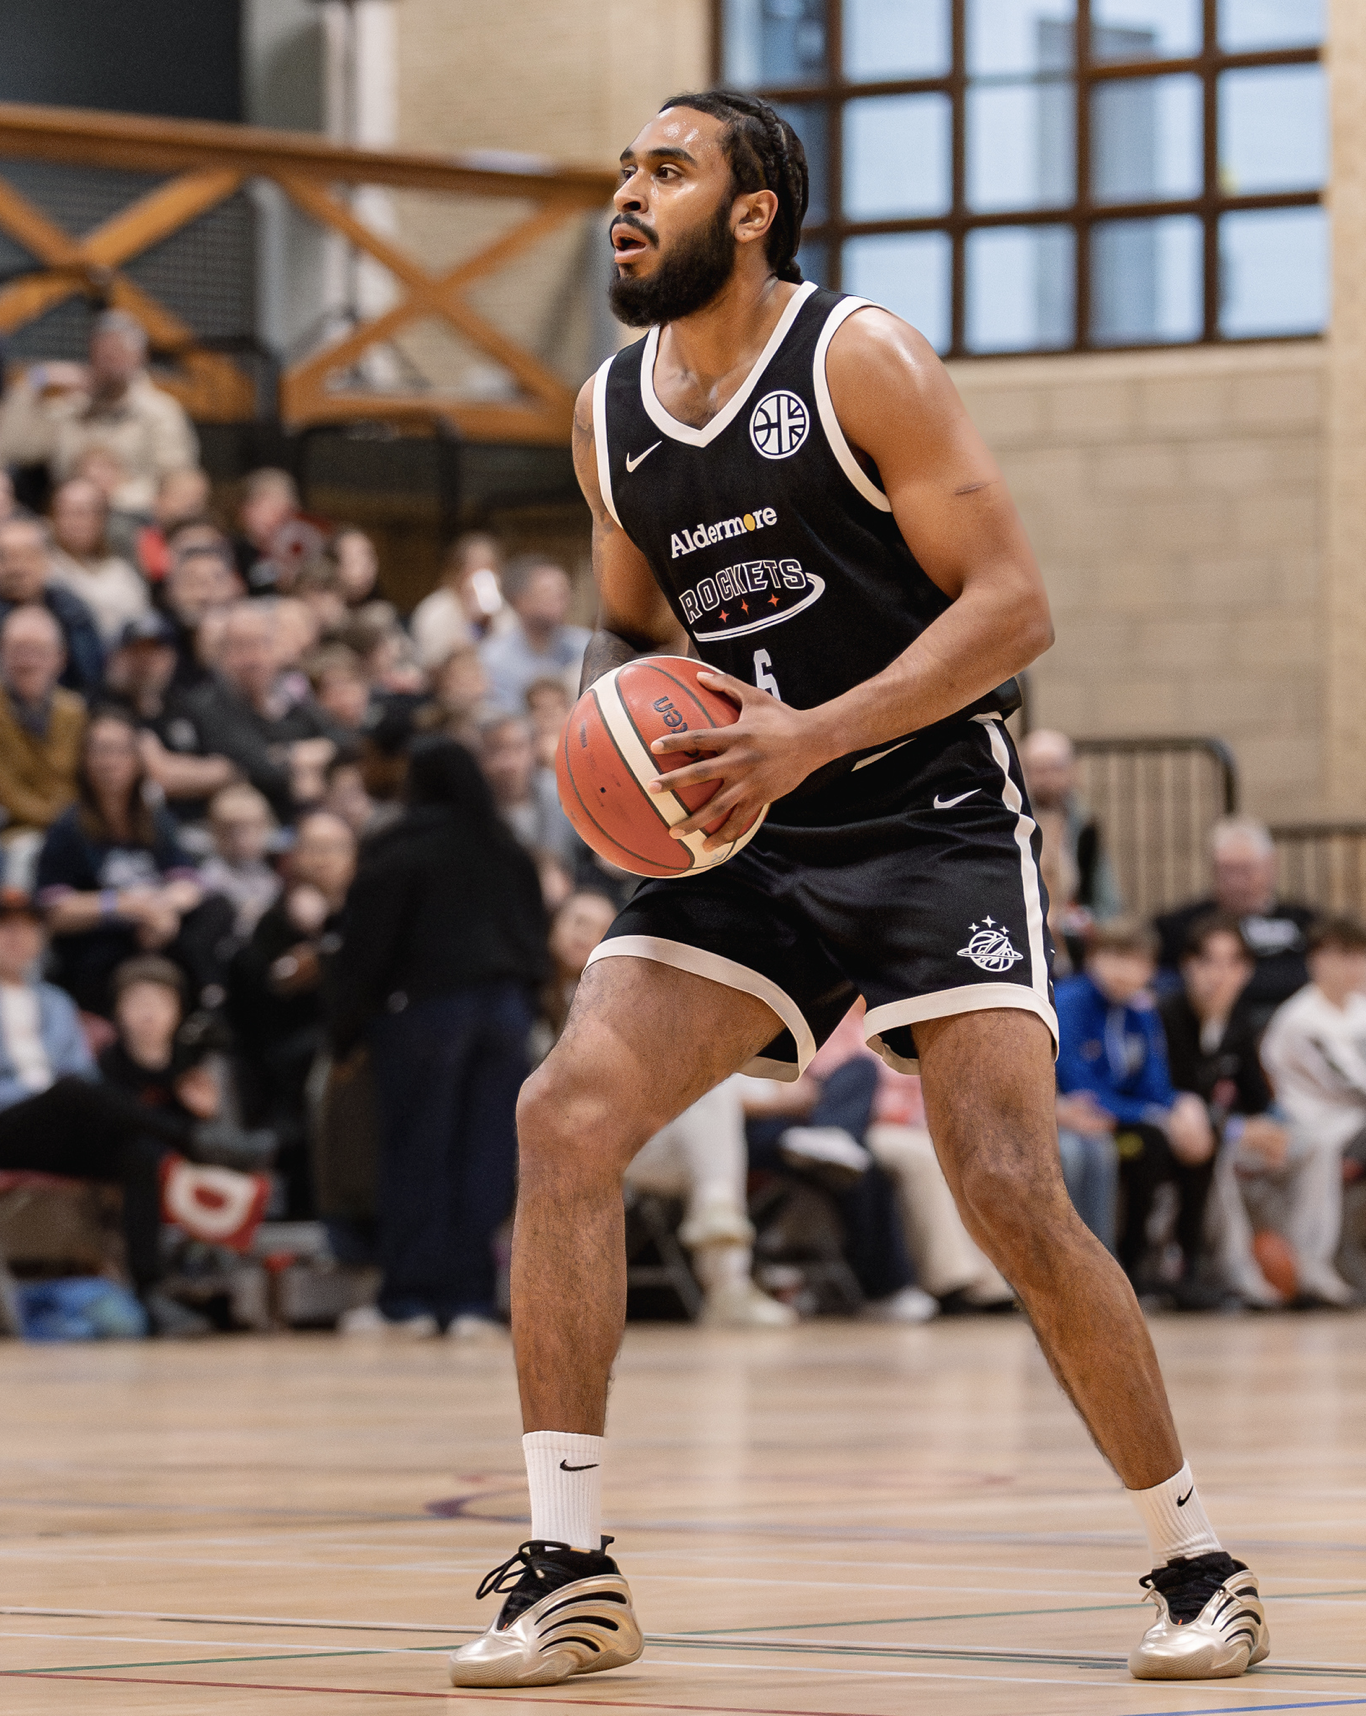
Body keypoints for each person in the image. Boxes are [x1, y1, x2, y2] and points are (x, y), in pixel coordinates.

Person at [447, 90, 1267, 1692]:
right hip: (742, 833)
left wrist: (808, 736)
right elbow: (633, 640)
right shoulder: (607, 410)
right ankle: (572, 1568)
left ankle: (1196, 1562)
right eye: (624, 168)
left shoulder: (858, 358)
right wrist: (609, 747)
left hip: (924, 809)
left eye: (665, 170)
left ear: (752, 212)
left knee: (1005, 1183)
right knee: (565, 1117)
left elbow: (1014, 607)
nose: (627, 191)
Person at [328, 741, 548, 1337]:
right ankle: (472, 1300)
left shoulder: (398, 849)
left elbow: (364, 951)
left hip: (426, 1012)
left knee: (417, 1149)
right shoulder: (509, 852)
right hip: (506, 1013)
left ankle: (411, 1300)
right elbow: (537, 940)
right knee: (485, 1155)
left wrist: (343, 1034)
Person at [0, 895, 270, 1335]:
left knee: (138, 1151)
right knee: (71, 1092)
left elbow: (85, 1079)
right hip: (8, 1120)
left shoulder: (56, 1004)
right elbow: (76, 1086)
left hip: (57, 1124)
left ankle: (151, 1291)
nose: (16, 938)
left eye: (26, 928)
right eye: (5, 929)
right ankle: (196, 1141)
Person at [541, 888, 795, 1327]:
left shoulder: (632, 1002)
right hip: (564, 1142)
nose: (585, 933)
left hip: (634, 1140)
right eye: (576, 920)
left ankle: (722, 1233)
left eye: (599, 925)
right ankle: (727, 1280)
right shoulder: (528, 998)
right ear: (552, 929)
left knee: (712, 1097)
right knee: (716, 1104)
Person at [1055, 918, 1217, 1302]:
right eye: (1115, 958)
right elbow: (1082, 1089)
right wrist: (1153, 1115)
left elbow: (1155, 1085)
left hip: (1122, 1121)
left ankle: (1185, 1267)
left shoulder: (1141, 1011)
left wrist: (1180, 1107)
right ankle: (1127, 1263)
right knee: (1150, 1144)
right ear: (1093, 959)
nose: (1126, 971)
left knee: (1200, 1135)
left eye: (1137, 962)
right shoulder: (1069, 1001)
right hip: (1077, 1120)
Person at [35, 709, 232, 1016]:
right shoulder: (69, 827)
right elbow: (54, 909)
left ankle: (208, 1008)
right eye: (100, 751)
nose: (109, 761)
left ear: (137, 760)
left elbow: (190, 881)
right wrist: (125, 905)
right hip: (104, 941)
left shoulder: (153, 818)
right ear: (84, 760)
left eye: (120, 751)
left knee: (216, 908)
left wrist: (160, 908)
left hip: (156, 928)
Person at [1158, 913, 1294, 1307]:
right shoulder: (1167, 1016)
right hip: (1179, 1136)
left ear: (1245, 971)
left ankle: (1306, 1267)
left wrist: (1276, 1128)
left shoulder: (1237, 1020)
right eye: (1209, 961)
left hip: (1221, 1133)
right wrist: (1237, 1131)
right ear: (1188, 966)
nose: (1219, 974)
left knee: (1310, 1148)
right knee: (1220, 1149)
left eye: (1232, 962)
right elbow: (1172, 1100)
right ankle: (1238, 1273)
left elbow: (1259, 1100)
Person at [227, 810, 356, 1216]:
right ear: (294, 857)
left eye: (333, 848)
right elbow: (255, 988)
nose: (322, 859)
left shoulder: (370, 911)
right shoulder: (271, 921)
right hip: (289, 1052)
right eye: (312, 848)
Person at [1253, 916, 1366, 1307]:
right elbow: (1349, 1083)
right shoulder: (1301, 1018)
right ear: (1317, 960)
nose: (1357, 966)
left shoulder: (1360, 1008)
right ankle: (1314, 1267)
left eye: (1361, 956)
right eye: (1345, 956)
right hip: (1315, 1127)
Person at [0, 309, 198, 514]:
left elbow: (178, 481)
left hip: (135, 516)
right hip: (67, 519)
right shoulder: (71, 408)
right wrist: (37, 380)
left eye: (116, 353)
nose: (108, 362)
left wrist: (116, 494)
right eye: (101, 353)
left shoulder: (160, 412)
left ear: (140, 357)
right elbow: (10, 448)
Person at [186, 602, 349, 822]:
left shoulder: (290, 696)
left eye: (261, 644)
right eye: (241, 646)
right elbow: (264, 770)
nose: (253, 658)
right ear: (223, 655)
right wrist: (309, 763)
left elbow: (346, 741)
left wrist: (288, 753)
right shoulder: (209, 704)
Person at [1155, 818, 1314, 1029]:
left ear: (1270, 864)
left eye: (1246, 869)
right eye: (1226, 870)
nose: (1237, 881)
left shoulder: (1306, 920)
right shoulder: (1181, 925)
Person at [0, 605, 86, 857]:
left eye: (38, 651)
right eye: (18, 650)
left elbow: (87, 780)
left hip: (77, 830)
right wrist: (60, 823)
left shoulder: (76, 712)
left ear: (60, 658)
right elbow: (6, 792)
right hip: (15, 834)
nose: (28, 662)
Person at [0, 514, 104, 694]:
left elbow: (91, 681)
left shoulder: (73, 613)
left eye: (27, 556)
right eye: (5, 557)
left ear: (46, 562)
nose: (16, 568)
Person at [46, 477, 151, 646]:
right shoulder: (43, 568)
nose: (77, 522)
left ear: (102, 519)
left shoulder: (121, 572)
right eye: (68, 512)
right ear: (53, 517)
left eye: (86, 512)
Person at [479, 555, 590, 713]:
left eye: (563, 591)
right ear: (519, 600)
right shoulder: (493, 657)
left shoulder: (587, 646)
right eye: (547, 591)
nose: (560, 598)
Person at [197, 783, 281, 944]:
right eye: (232, 829)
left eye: (252, 827)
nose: (242, 839)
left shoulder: (273, 870)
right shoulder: (212, 874)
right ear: (217, 833)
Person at [410, 531, 505, 668]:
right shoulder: (436, 609)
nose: (481, 574)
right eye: (474, 566)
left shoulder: (504, 610)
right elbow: (429, 663)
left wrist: (486, 622)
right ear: (458, 570)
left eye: (488, 567)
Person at [134, 467, 213, 583]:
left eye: (198, 498)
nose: (190, 505)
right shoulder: (143, 538)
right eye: (182, 496)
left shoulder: (215, 540)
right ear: (157, 500)